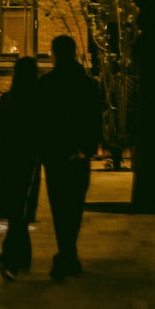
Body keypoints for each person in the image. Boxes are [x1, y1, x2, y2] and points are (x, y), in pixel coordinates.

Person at [37, 35, 103, 281]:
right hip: (79, 153)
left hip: (55, 153)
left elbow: (40, 120)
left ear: (54, 53)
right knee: (75, 204)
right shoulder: (87, 84)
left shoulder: (47, 84)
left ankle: (66, 252)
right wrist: (87, 148)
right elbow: (95, 116)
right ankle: (68, 252)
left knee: (59, 204)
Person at [0, 56, 41, 281]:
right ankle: (14, 256)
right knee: (21, 210)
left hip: (9, 160)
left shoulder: (8, 99)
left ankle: (15, 256)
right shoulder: (37, 100)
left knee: (15, 210)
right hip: (28, 160)